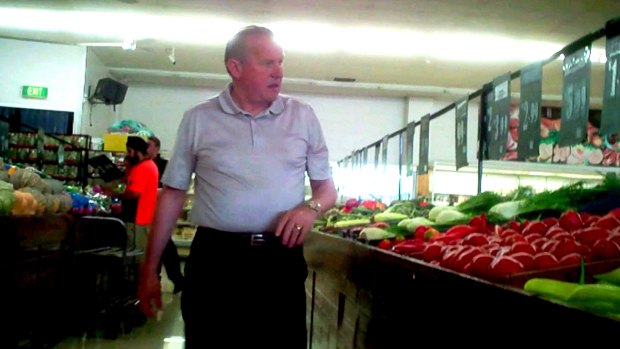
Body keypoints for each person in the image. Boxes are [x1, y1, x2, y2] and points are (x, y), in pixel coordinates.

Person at [138, 25, 337, 348]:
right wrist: (150, 268)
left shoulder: (302, 117)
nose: (279, 72)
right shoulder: (199, 119)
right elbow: (172, 195)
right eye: (268, 63)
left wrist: (310, 208)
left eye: (281, 62)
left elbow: (326, 191)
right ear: (235, 68)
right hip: (215, 262)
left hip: (279, 262)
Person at [108, 136, 159, 254]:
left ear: (137, 151)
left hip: (137, 218)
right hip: (141, 217)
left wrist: (113, 193)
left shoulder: (143, 167)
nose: (129, 155)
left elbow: (134, 194)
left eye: (130, 151)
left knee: (136, 254)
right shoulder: (145, 166)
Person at [146, 135, 184, 294]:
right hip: (146, 210)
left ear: (157, 148)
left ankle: (176, 279)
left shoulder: (164, 165)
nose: (146, 148)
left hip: (159, 210)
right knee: (159, 245)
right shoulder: (142, 164)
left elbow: (169, 189)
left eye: (149, 145)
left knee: (164, 245)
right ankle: (159, 278)